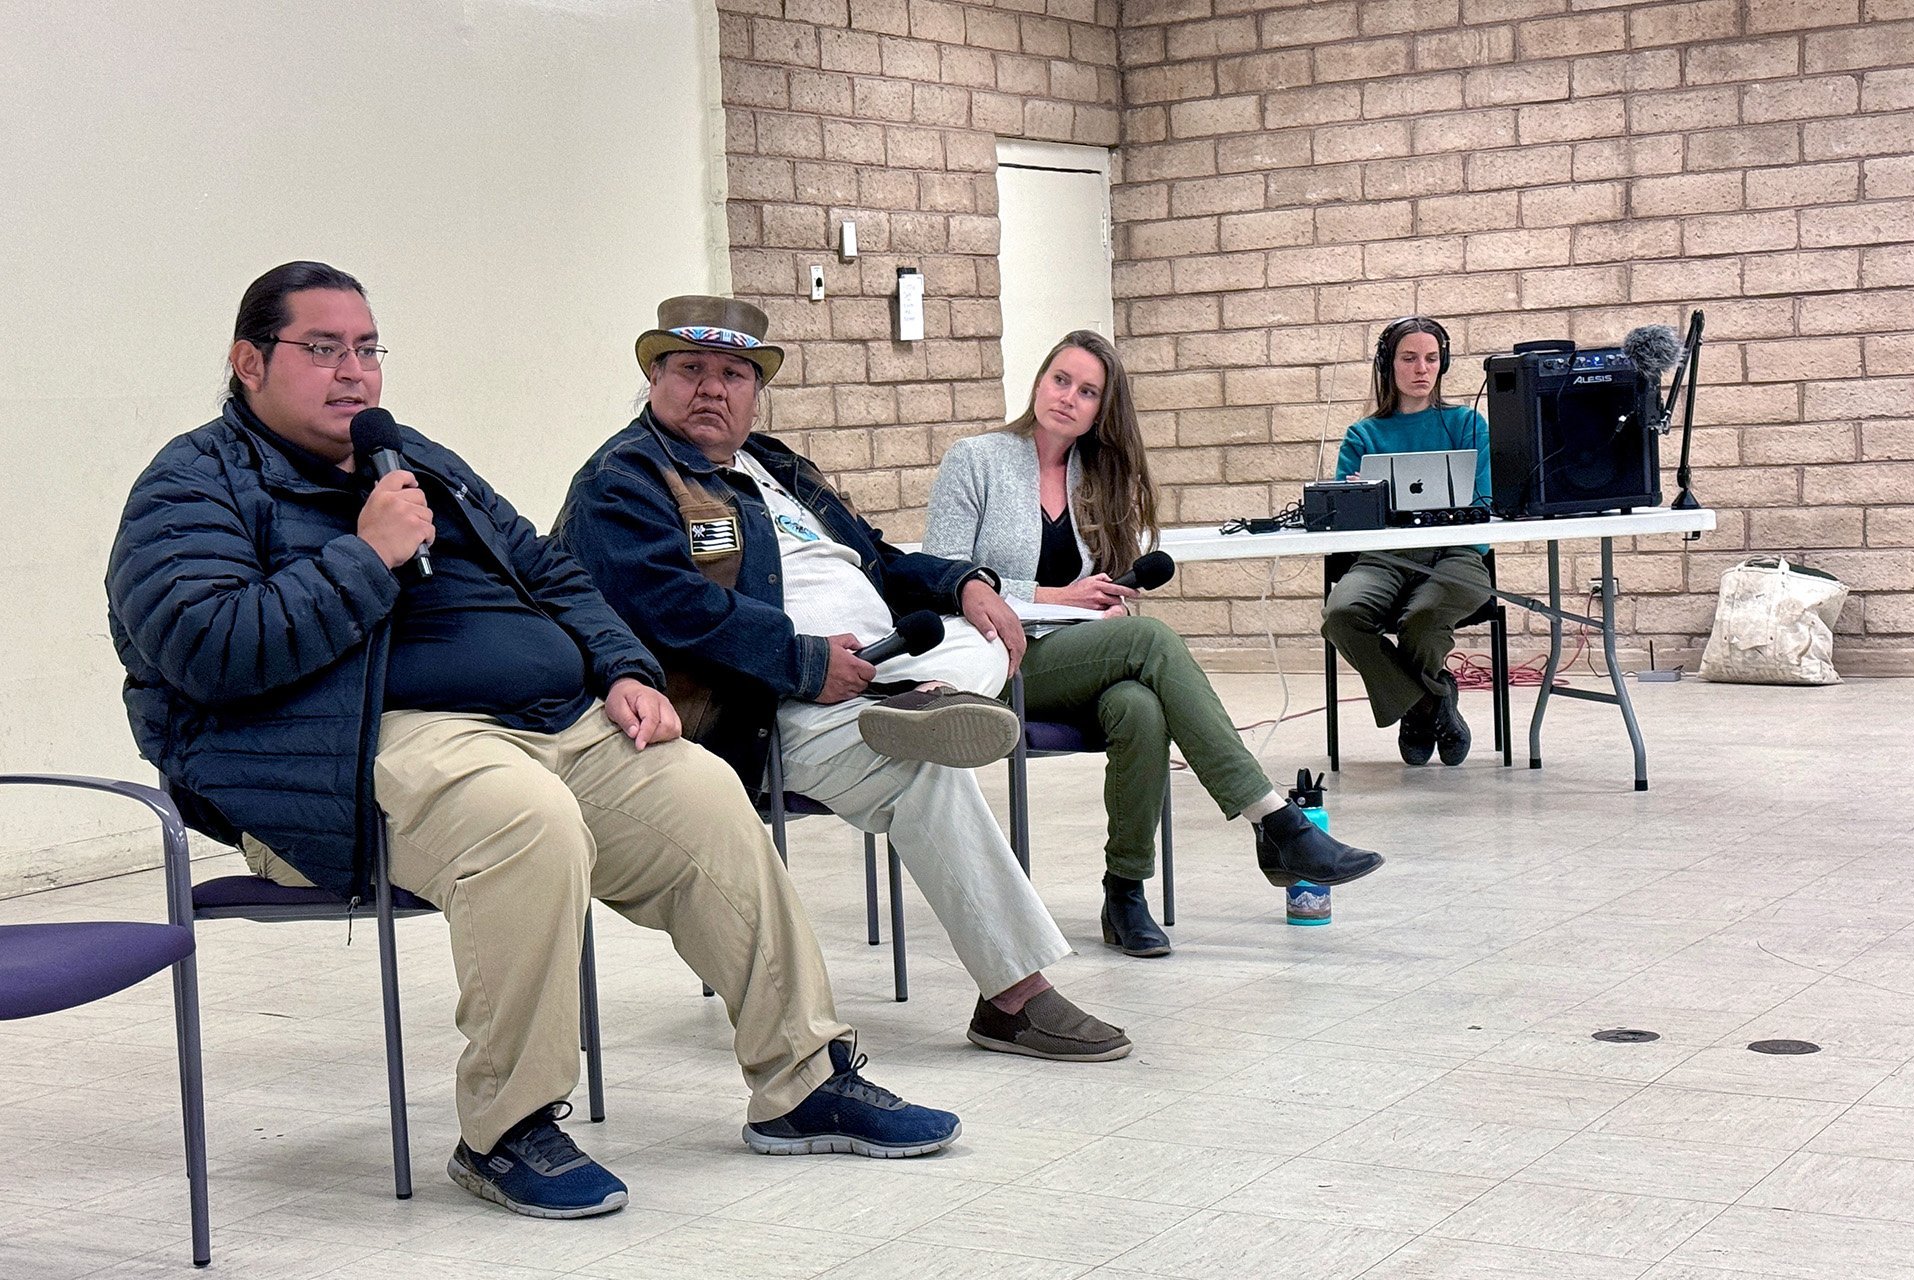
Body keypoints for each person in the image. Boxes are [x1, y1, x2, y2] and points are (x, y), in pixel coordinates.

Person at [105, 263, 960, 1222]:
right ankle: (505, 1130)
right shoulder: (192, 483)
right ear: (248, 362)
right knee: (527, 822)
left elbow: (550, 570)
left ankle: (803, 1083)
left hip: (543, 723)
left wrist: (625, 668)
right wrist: (367, 555)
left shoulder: (410, 456)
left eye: (367, 349)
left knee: (702, 795)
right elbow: (210, 649)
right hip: (343, 748)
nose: (354, 373)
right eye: (323, 349)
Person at [554, 295, 1131, 1063]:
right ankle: (1015, 998)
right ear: (654, 377)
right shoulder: (623, 482)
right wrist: (805, 660)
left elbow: (879, 558)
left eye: (733, 374)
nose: (712, 389)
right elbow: (670, 608)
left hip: (873, 662)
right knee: (924, 773)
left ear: (756, 391)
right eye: (690, 369)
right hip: (765, 698)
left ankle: (927, 700)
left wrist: (963, 581)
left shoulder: (778, 466)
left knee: (990, 633)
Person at [923, 330, 1386, 958]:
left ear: (1100, 411)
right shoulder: (975, 458)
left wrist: (1102, 601)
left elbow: (1100, 589)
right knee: (1153, 642)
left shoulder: (1099, 477)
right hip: (994, 657)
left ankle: (1125, 893)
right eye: (1061, 379)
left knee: (1139, 707)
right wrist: (1061, 597)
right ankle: (1275, 822)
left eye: (1087, 392)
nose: (1068, 398)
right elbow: (942, 575)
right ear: (1039, 381)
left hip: (1079, 655)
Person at [1323, 316, 1493, 767]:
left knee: (1423, 617)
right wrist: (1362, 499)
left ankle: (1417, 712)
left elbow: (1486, 500)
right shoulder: (1364, 435)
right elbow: (1344, 517)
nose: (1422, 368)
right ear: (1388, 365)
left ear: (1444, 363)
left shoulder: (1468, 424)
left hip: (1456, 554)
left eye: (1432, 358)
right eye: (1410, 358)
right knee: (1341, 615)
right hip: (1383, 558)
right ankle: (1430, 703)